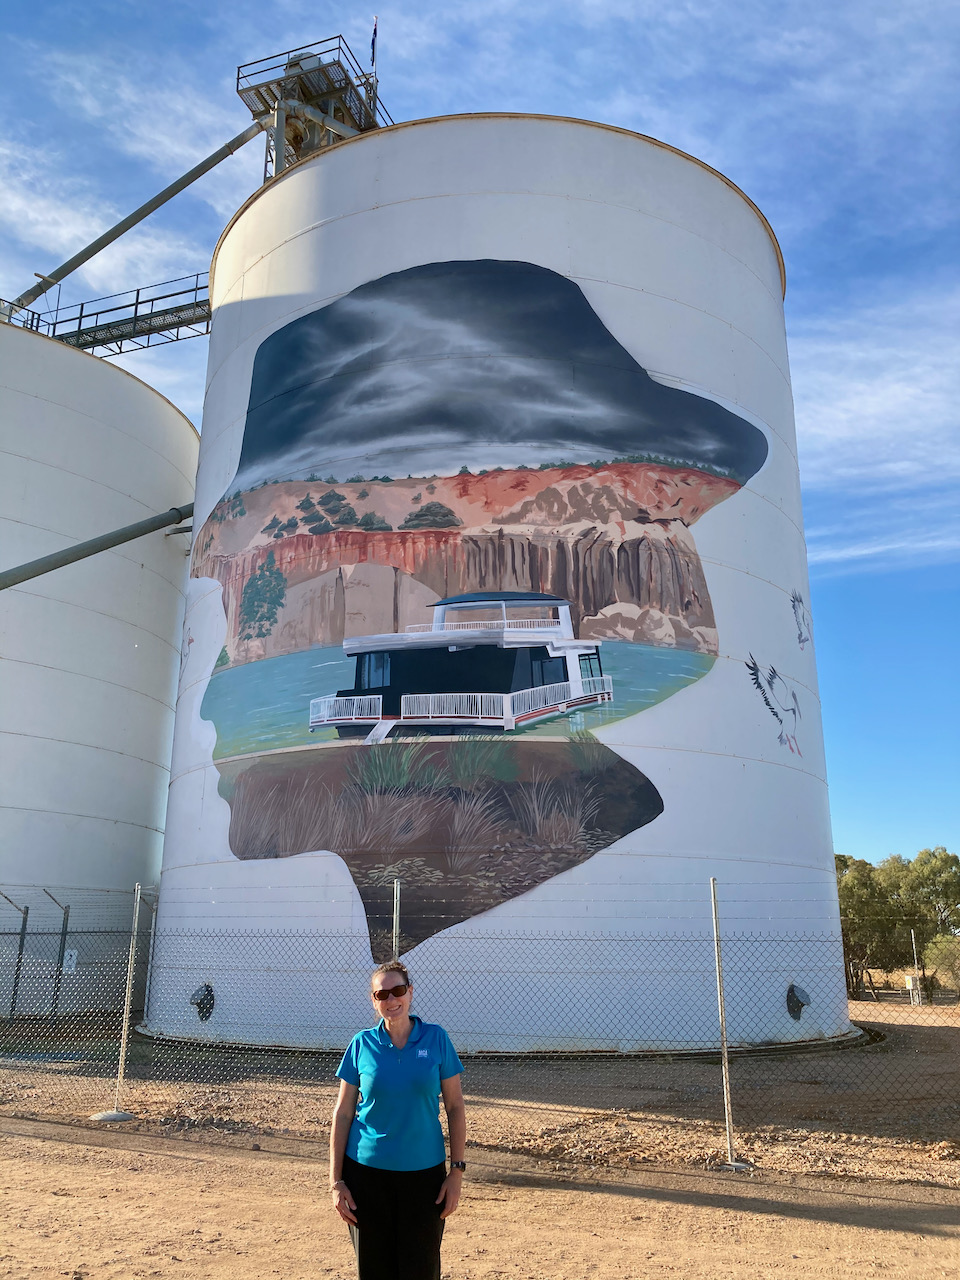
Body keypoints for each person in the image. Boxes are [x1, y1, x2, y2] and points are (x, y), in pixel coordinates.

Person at [330, 960, 466, 1280]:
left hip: (425, 1179)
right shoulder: (361, 1044)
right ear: (373, 1000)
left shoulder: (436, 1039)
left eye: (398, 990)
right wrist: (336, 1182)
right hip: (366, 1177)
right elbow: (344, 1113)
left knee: (421, 1270)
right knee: (375, 1270)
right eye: (382, 994)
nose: (391, 1000)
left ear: (410, 992)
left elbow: (456, 1107)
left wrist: (456, 1172)